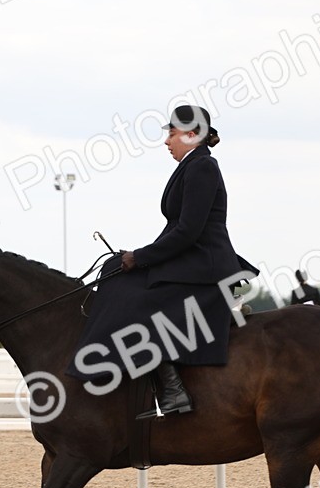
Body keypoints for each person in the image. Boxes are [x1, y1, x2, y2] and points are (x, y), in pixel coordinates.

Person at [68, 105, 258, 418]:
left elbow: (188, 231)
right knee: (113, 271)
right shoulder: (191, 165)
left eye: (171, 133)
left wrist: (140, 257)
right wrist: (133, 258)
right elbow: (176, 229)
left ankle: (171, 388)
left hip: (204, 266)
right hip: (190, 260)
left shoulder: (202, 167)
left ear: (192, 134)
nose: (166, 141)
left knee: (135, 300)